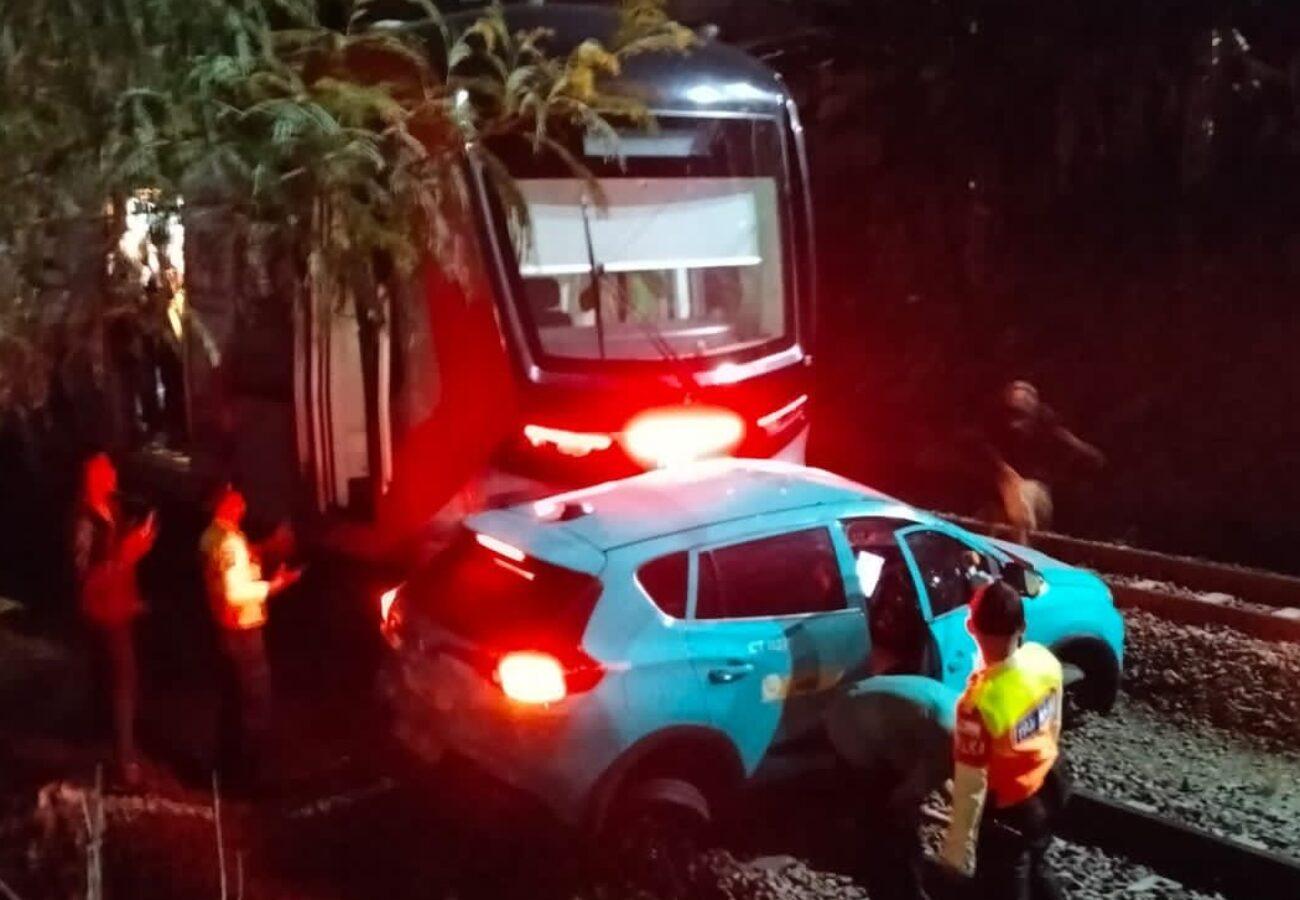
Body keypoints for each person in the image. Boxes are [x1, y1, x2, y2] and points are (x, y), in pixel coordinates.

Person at [940, 580, 1069, 900]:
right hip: (1054, 782)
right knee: (1036, 863)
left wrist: (956, 852)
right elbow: (1054, 722)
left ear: (971, 627)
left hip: (1012, 807)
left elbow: (971, 787)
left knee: (1006, 882)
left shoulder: (977, 705)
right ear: (1023, 625)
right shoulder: (1043, 660)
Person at [199, 483, 300, 791]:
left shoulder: (213, 536)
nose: (242, 498)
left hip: (227, 629)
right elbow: (235, 590)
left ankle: (226, 770)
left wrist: (266, 547)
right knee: (254, 701)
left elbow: (233, 567)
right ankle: (251, 778)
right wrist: (275, 585)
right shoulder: (229, 542)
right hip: (243, 630)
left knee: (232, 701)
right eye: (234, 494)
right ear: (224, 504)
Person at [825, 675, 953, 900]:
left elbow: (938, 773)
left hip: (873, 697)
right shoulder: (948, 743)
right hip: (849, 720)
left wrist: (953, 809)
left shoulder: (963, 719)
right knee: (884, 807)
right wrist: (951, 820)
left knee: (903, 774)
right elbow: (906, 797)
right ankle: (880, 873)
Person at [71, 452, 156, 786]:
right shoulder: (84, 521)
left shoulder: (113, 509)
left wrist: (135, 546)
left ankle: (116, 745)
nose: (114, 475)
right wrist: (124, 554)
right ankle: (125, 759)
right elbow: (87, 576)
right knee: (121, 682)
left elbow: (119, 558)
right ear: (94, 478)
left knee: (119, 680)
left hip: (121, 607)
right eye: (108, 471)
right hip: (104, 613)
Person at [981, 380, 1104, 543]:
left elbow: (1087, 454)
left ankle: (1024, 556)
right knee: (991, 514)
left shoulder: (1049, 430)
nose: (1015, 424)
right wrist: (1001, 468)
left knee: (1024, 492)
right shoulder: (996, 432)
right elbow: (976, 446)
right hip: (1003, 499)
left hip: (1035, 496)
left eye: (1021, 415)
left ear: (1034, 411)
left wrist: (1083, 454)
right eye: (1011, 413)